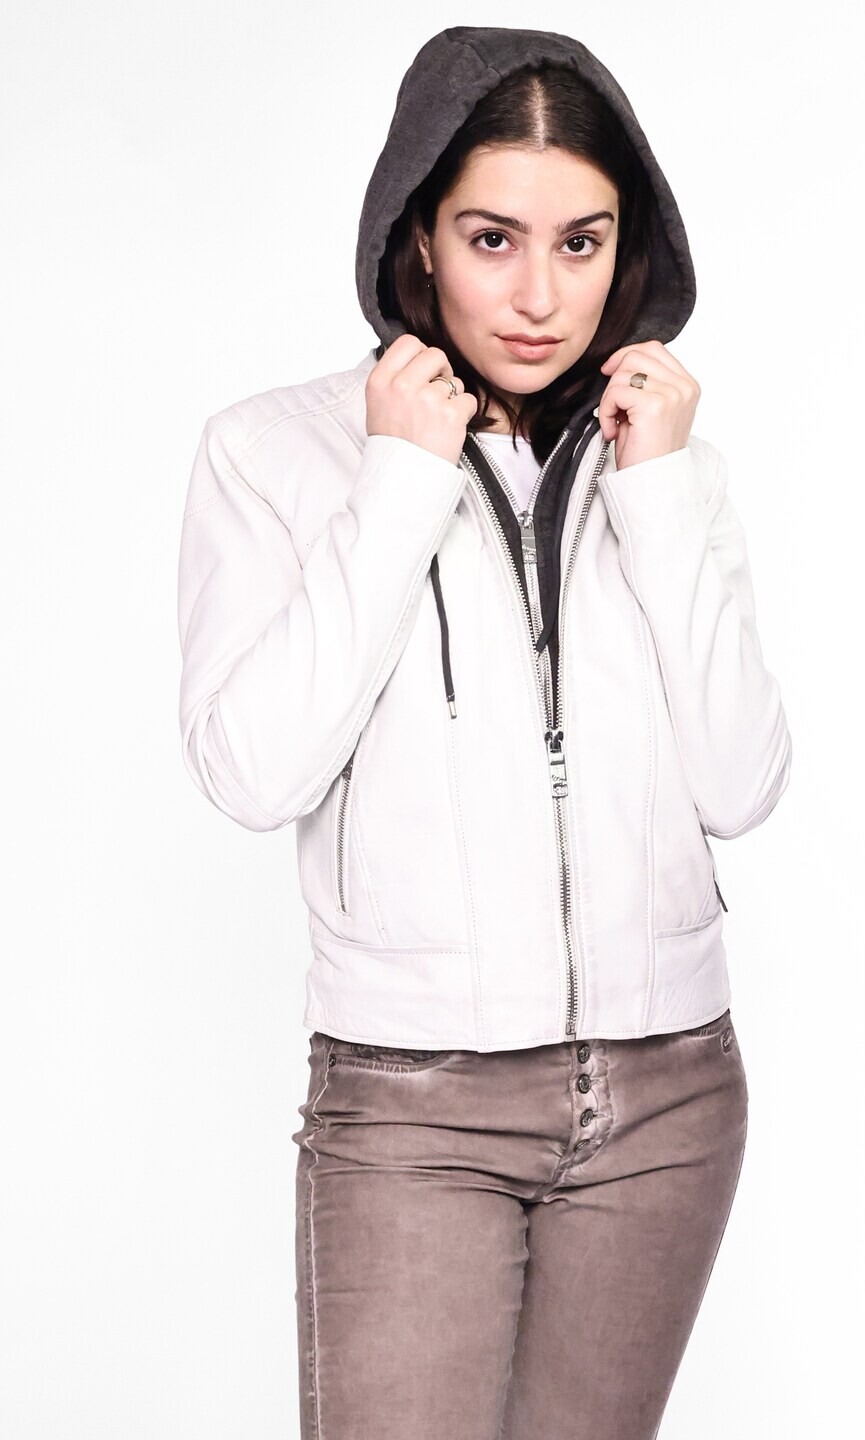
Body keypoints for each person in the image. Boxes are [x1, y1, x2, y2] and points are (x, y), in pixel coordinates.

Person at [176, 24, 792, 1440]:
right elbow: (251, 772)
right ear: (419, 234)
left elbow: (744, 783)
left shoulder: (671, 470)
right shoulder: (274, 454)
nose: (539, 296)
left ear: (627, 247)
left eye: (581, 243)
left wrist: (663, 494)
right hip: (414, 1110)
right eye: (492, 238)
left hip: (669, 1099)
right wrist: (401, 485)